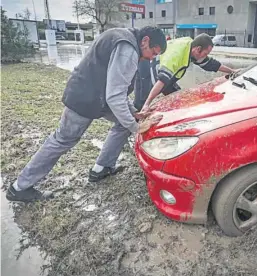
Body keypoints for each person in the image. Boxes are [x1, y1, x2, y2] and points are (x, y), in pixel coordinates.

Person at [7, 26, 167, 203]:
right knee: (63, 139)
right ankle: (19, 188)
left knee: (124, 123)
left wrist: (134, 114)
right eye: (153, 52)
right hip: (84, 98)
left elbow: (115, 91)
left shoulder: (122, 36)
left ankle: (101, 168)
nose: (152, 58)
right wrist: (137, 127)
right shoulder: (128, 49)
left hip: (97, 97)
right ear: (145, 40)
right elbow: (114, 96)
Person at [135, 33, 239, 111]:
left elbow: (211, 64)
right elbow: (161, 81)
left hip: (167, 76)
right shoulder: (177, 56)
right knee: (141, 104)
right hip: (148, 70)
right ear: (198, 49)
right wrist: (147, 103)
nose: (205, 56)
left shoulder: (191, 47)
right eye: (205, 53)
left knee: (178, 98)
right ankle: (133, 128)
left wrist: (232, 71)